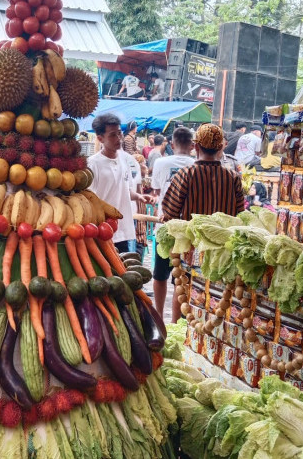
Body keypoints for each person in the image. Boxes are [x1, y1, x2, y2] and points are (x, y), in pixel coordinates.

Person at [162, 124, 245, 322]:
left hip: (190, 251)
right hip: (222, 254)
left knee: (182, 291)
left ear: (196, 146)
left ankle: (178, 329)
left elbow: (170, 214)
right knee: (217, 297)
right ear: (221, 148)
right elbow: (240, 216)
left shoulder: (185, 175)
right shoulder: (233, 177)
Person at [87, 113, 154, 254]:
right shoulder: (93, 164)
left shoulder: (125, 160)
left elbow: (125, 190)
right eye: (112, 135)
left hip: (122, 230)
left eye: (119, 133)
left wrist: (139, 197)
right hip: (101, 231)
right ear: (100, 138)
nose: (118, 138)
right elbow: (89, 199)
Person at [150, 126, 195, 314]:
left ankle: (159, 316)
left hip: (166, 226)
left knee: (160, 276)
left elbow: (157, 191)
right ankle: (177, 322)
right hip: (188, 230)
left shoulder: (162, 163)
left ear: (172, 143)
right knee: (182, 277)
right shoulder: (197, 164)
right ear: (192, 145)